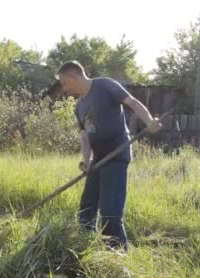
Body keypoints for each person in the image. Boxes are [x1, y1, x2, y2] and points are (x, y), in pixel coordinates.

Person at [55, 61, 162, 251]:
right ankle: (85, 248)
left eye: (64, 83)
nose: (64, 89)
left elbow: (133, 103)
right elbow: (85, 136)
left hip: (117, 153)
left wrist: (149, 121)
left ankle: (117, 256)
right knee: (87, 208)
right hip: (98, 159)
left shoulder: (104, 85)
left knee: (110, 211)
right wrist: (86, 161)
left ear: (73, 76)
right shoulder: (79, 106)